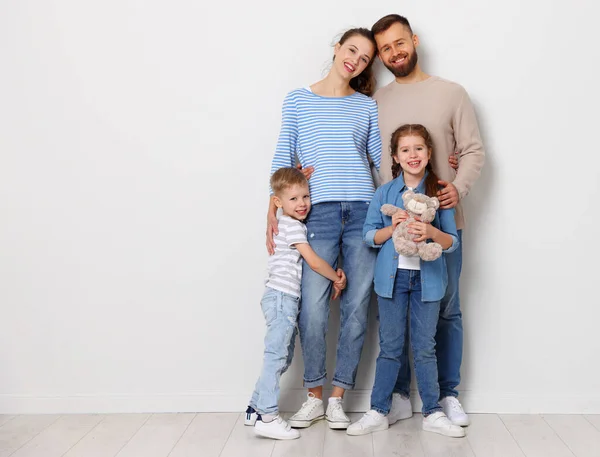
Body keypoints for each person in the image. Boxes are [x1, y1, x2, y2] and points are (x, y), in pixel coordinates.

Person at [263, 28, 382, 430]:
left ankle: (337, 398)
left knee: (356, 308)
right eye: (352, 50)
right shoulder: (297, 99)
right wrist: (273, 209)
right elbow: (284, 157)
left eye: (365, 58)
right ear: (336, 48)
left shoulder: (366, 106)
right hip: (316, 214)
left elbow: (383, 162)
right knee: (311, 307)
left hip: (364, 210)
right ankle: (313, 394)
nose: (356, 61)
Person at [370, 14, 485, 426]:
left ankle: (449, 394)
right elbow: (373, 161)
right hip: (395, 230)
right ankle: (400, 394)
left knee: (448, 309)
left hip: (442, 225)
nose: (394, 52)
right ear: (380, 55)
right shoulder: (377, 101)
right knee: (395, 312)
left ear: (414, 40)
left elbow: (472, 151)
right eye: (385, 48)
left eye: (400, 42)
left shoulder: (451, 93)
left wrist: (459, 186)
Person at [347, 124, 464, 437]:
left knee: (425, 347)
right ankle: (378, 410)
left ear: (428, 153)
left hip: (428, 283)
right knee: (390, 348)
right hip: (392, 281)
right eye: (405, 150)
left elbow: (453, 241)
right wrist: (392, 226)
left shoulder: (439, 191)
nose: (413, 155)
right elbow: (368, 235)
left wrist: (431, 233)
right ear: (395, 157)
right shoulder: (385, 193)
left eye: (419, 149)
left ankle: (432, 412)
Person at [245, 167, 347, 440]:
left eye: (305, 196)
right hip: (281, 298)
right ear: (277, 202)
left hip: (282, 299)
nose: (302, 204)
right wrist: (336, 277)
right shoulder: (291, 226)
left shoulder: (286, 220)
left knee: (283, 355)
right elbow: (313, 261)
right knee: (276, 356)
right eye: (293, 199)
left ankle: (254, 409)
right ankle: (267, 415)